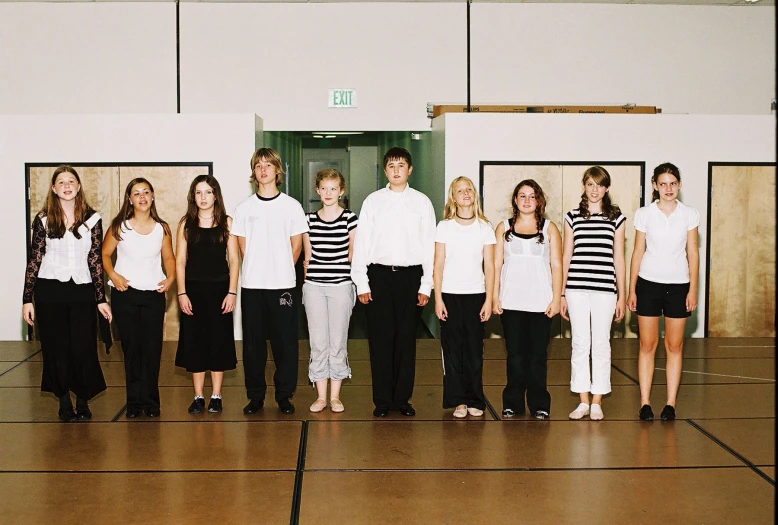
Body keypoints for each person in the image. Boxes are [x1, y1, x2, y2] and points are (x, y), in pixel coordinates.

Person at [351, 147, 436, 418]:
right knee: (380, 341)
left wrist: (426, 285)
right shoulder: (373, 202)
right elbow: (361, 244)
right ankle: (382, 401)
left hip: (411, 278)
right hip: (379, 277)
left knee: (406, 341)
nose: (396, 170)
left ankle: (402, 400)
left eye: (401, 165)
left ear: (410, 170)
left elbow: (429, 247)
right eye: (391, 166)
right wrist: (362, 284)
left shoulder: (422, 202)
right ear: (385, 171)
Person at [22, 165, 111, 422]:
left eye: (71, 181)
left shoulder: (93, 218)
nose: (67, 185)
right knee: (56, 348)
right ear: (54, 189)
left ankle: (83, 401)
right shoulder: (42, 219)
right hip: (50, 290)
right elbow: (34, 260)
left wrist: (100, 298)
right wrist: (27, 298)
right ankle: (63, 403)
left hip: (82, 289)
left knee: (83, 348)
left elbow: (95, 261)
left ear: (79, 186)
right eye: (61, 182)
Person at [231, 148, 308, 415]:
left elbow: (296, 246)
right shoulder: (244, 208)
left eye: (268, 165)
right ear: (253, 172)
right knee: (253, 346)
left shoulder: (291, 206)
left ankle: (284, 396)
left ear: (278, 170)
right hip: (252, 286)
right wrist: (259, 267)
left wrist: (281, 268)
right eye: (258, 165)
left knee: (285, 345)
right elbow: (242, 248)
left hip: (283, 285)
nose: (263, 170)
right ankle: (255, 397)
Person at [628, 163, 699, 422]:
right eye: (663, 183)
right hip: (648, 284)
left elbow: (693, 252)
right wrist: (631, 289)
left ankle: (670, 403)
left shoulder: (689, 214)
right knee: (647, 345)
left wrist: (693, 289)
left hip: (679, 286)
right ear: (655, 186)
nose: (668, 188)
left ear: (679, 185)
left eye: (673, 183)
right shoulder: (644, 214)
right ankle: (645, 403)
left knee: (674, 346)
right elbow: (637, 252)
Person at [103, 178, 175, 418]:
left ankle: (151, 403)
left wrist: (171, 278)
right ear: (130, 199)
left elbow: (169, 259)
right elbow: (104, 254)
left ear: (152, 196)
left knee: (152, 350)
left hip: (153, 295)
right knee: (132, 350)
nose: (142, 197)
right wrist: (114, 275)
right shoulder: (118, 227)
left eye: (146, 192)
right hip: (125, 295)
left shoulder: (162, 228)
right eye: (137, 193)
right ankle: (134, 404)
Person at [560, 166, 626, 421]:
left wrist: (621, 294)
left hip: (604, 291)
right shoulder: (572, 216)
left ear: (606, 188)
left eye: (599, 184)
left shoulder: (616, 218)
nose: (594, 189)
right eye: (590, 184)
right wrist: (563, 293)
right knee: (579, 343)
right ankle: (583, 400)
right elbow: (567, 255)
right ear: (584, 186)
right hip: (576, 288)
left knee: (600, 344)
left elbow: (618, 258)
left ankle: (598, 400)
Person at [493, 179, 562, 420]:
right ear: (515, 200)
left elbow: (557, 264)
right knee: (515, 356)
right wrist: (494, 296)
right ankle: (512, 403)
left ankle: (539, 404)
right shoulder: (503, 228)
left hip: (541, 304)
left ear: (539, 200)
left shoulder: (550, 228)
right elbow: (495, 264)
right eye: (522, 195)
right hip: (511, 302)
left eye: (532, 196)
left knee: (537, 357)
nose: (527, 200)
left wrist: (557, 298)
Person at [175, 175, 239, 415]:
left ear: (216, 195)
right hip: (192, 291)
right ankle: (198, 396)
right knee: (195, 343)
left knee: (218, 342)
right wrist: (181, 292)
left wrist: (232, 292)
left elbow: (234, 260)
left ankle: (216, 395)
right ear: (193, 196)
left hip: (220, 290)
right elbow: (180, 261)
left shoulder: (227, 222)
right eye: (198, 192)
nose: (203, 197)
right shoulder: (186, 223)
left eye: (208, 192)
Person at [433, 176, 495, 418]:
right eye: (460, 190)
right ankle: (458, 400)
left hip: (476, 295)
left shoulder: (485, 227)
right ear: (453, 197)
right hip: (449, 295)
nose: (466, 193)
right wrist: (438, 299)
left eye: (469, 189)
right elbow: (438, 265)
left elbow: (489, 266)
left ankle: (474, 399)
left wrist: (489, 300)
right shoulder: (444, 227)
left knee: (473, 352)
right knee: (452, 352)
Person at [302, 169, 358, 413]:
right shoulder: (308, 220)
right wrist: (309, 282)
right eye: (324, 188)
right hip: (314, 286)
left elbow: (352, 254)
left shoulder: (350, 219)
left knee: (337, 340)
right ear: (317, 190)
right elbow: (307, 257)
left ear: (341, 191)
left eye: (333, 188)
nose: (328, 193)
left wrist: (349, 282)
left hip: (341, 286)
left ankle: (335, 396)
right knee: (318, 342)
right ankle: (321, 396)